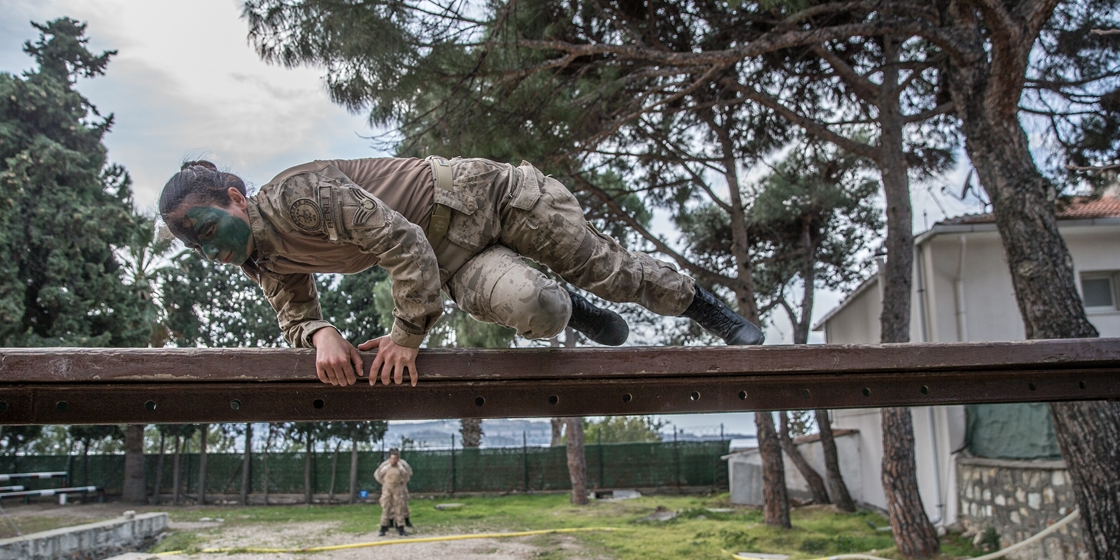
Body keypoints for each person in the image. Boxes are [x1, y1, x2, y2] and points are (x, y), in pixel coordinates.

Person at [158, 156, 763, 386]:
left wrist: (406, 336)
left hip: (488, 197)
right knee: (539, 310)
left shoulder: (298, 195)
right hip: (454, 259)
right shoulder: (259, 258)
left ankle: (710, 311)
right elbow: (295, 309)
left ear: (236, 196)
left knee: (608, 270)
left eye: (207, 229)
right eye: (195, 246)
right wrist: (320, 335)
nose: (210, 249)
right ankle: (574, 309)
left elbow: (401, 241)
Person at [374, 449, 412, 536]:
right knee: (386, 506)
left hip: (398, 488)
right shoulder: (385, 466)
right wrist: (384, 482)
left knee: (399, 507)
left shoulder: (401, 466)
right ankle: (384, 526)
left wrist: (402, 482)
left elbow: (407, 475)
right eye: (392, 458)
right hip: (387, 487)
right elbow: (378, 474)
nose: (393, 460)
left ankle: (400, 526)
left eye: (395, 458)